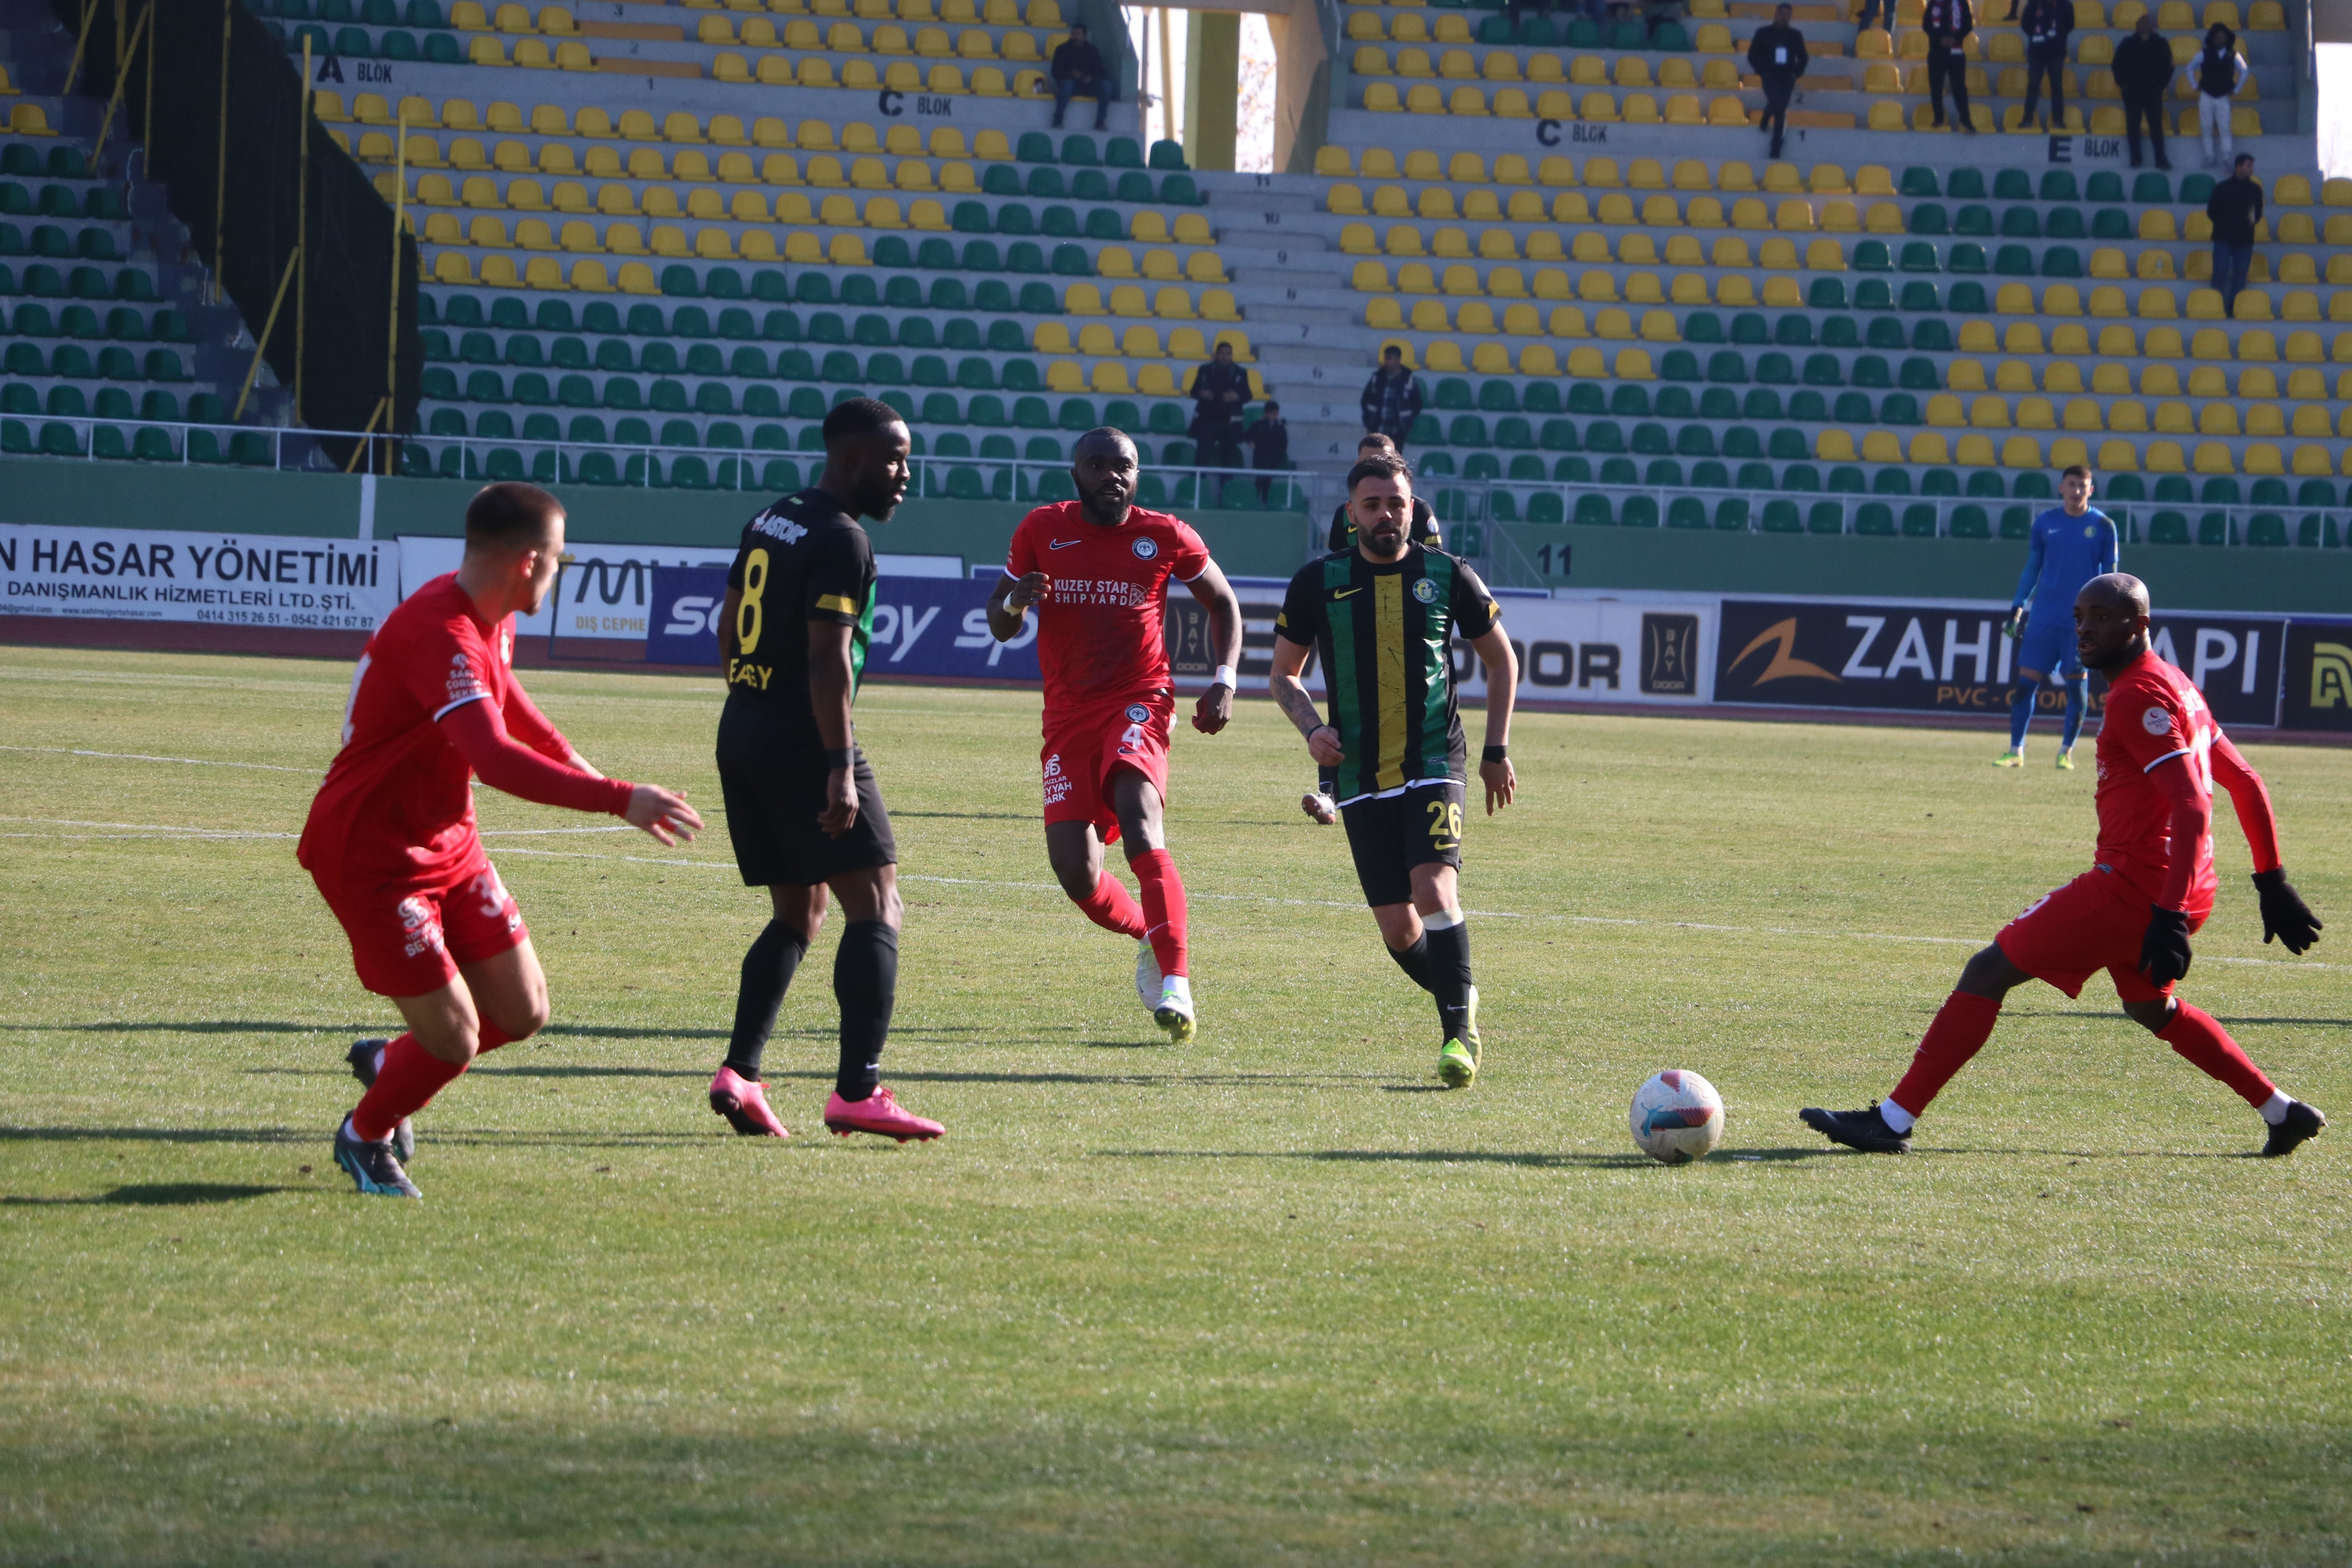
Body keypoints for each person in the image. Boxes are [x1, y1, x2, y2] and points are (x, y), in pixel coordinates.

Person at [1802, 573, 2327, 1159]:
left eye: (2102, 616)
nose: (2084, 627)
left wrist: (2171, 912)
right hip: (2180, 884)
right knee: (2151, 1006)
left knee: (1987, 972)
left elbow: (2194, 802)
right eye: (2079, 615)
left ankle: (1892, 1121)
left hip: (2138, 886)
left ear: (2139, 624)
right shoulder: (2177, 684)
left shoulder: (2137, 695)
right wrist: (2270, 880)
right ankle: (2282, 1111)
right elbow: (2246, 782)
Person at [305, 482, 706, 1199]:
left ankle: (392, 1061)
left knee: (524, 1012)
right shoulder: (442, 630)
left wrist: (577, 762)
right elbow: (491, 756)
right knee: (455, 1039)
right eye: (560, 558)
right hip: (373, 855)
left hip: (448, 840)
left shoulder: (496, 617)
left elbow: (512, 705)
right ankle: (363, 1136)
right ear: (528, 562)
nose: (561, 570)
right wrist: (617, 799)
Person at [706, 398, 946, 1145]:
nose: (905, 474)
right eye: (894, 459)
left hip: (744, 725)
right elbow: (827, 655)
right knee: (879, 902)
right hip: (804, 738)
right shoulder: (844, 540)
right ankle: (858, 1092)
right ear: (851, 460)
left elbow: (727, 619)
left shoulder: (772, 517)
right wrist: (839, 765)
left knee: (799, 912)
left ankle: (740, 1075)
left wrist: (750, 702)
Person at [1268, 453, 1520, 1090]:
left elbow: (1502, 661)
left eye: (1397, 504)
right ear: (1352, 514)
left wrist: (1496, 752)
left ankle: (1458, 1035)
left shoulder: (1447, 574)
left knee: (1434, 892)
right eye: (1373, 504)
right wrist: (1311, 730)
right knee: (1399, 927)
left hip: (1435, 759)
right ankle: (1461, 996)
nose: (1386, 514)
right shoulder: (1316, 582)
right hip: (1357, 775)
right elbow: (1283, 676)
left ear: (1414, 508)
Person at [986, 427, 1243, 1042]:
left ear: (1137, 473)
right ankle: (1148, 934)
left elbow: (1224, 604)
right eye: (1098, 466)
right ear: (1076, 474)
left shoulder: (1166, 535)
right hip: (1068, 717)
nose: (1112, 476)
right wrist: (1016, 603)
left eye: (1122, 465)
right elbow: (998, 622)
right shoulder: (1041, 530)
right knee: (1076, 873)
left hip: (1140, 702)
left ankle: (1178, 987)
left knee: (1139, 818)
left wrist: (1225, 680)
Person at [1303, 434, 1445, 828]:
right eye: (1365, 462)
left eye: (1382, 460)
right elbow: (1335, 563)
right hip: (1353, 617)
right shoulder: (1344, 514)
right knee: (1343, 701)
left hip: (1404, 617)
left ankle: (1421, 782)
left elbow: (1432, 561)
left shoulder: (1418, 510)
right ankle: (1331, 792)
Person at [1995, 464, 2118, 769]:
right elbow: (2032, 568)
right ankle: (2016, 750)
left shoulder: (2103, 526)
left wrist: (2107, 617)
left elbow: (2111, 577)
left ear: (2091, 490)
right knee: (2026, 684)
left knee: (2076, 688)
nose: (2077, 491)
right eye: (2072, 484)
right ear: (2061, 488)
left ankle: (2066, 752)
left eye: (2083, 486)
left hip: (2081, 623)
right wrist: (2018, 606)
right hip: (2044, 618)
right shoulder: (2045, 523)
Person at [2112, 13, 2174, 170]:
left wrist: (2161, 86)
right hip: (2132, 92)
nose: (2146, 25)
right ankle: (2136, 159)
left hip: (2153, 92)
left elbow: (2169, 67)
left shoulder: (2161, 43)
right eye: (2143, 23)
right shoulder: (2128, 43)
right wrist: (2124, 85)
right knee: (2133, 126)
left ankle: (2161, 159)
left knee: (2156, 127)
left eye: (2149, 22)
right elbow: (2117, 65)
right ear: (2137, 26)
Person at [1746, 4, 1807, 161]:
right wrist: (1762, 71)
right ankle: (1768, 117)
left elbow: (1804, 57)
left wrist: (1797, 73)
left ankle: (1775, 146)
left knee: (1780, 110)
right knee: (1780, 104)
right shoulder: (1763, 33)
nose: (1784, 17)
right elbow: (1753, 55)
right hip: (1770, 76)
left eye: (1787, 14)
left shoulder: (1795, 35)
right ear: (1776, 14)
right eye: (1781, 14)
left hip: (1788, 77)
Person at [2207, 153, 2263, 319]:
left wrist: (2248, 225)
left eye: (2252, 166)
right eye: (2248, 166)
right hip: (2223, 239)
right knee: (2220, 272)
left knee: (2240, 275)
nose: (2251, 169)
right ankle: (2215, 306)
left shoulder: (2255, 190)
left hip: (2245, 241)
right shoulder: (2222, 188)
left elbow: (2258, 214)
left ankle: (2233, 308)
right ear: (2238, 167)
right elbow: (2212, 211)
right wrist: (2224, 225)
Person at [1186, 340, 1249, 470]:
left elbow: (1247, 395)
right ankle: (1198, 486)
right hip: (1207, 420)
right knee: (1202, 457)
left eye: (1228, 354)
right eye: (1222, 353)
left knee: (1228, 460)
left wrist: (1236, 397)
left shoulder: (1240, 373)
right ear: (1216, 355)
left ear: (1232, 356)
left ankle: (1227, 489)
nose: (1225, 356)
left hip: (1230, 423)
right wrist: (1202, 394)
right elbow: (1194, 391)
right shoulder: (1205, 371)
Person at [2194, 23, 2247, 167]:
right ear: (2212, 38)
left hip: (2224, 96)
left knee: (2225, 127)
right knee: (2206, 127)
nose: (2220, 40)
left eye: (2223, 37)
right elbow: (2189, 68)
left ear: (2227, 39)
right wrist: (2195, 85)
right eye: (2217, 37)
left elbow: (2244, 71)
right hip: (2206, 95)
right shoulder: (2203, 53)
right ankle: (2209, 157)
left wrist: (2236, 90)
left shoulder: (2234, 55)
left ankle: (2227, 157)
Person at [1048, 22, 1116, 132]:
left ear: (1085, 36)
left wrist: (1091, 77)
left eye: (1079, 34)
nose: (1075, 37)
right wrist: (1071, 74)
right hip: (1070, 84)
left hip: (1089, 85)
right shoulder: (1062, 50)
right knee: (1067, 86)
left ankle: (1100, 122)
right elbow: (1055, 72)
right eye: (1074, 34)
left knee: (1106, 86)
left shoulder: (1093, 51)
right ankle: (1058, 120)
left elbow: (1102, 72)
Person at [1921, 0, 1975, 132]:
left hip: (1956, 51)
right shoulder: (1934, 2)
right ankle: (1939, 118)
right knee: (1936, 87)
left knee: (1960, 87)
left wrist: (1956, 38)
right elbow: (1927, 25)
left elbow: (1968, 25)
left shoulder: (1962, 3)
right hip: (1936, 51)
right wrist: (1940, 39)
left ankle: (1965, 118)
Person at [2017, 0, 2072, 131]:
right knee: (2033, 86)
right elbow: (2025, 23)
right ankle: (2027, 119)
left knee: (2057, 87)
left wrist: (2058, 38)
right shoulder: (2033, 4)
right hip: (2037, 52)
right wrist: (2037, 36)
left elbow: (2070, 25)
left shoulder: (2065, 5)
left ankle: (2058, 121)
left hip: (2057, 53)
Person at [1360, 345, 1423, 450]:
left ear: (1398, 360)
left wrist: (1406, 420)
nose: (1387, 362)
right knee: (1374, 461)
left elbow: (1417, 404)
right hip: (1377, 428)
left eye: (1390, 359)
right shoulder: (1377, 377)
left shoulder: (1408, 380)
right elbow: (1365, 400)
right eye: (1386, 359)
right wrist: (1369, 419)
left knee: (1394, 463)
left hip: (1398, 431)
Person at [1245, 398, 1289, 505]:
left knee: (1268, 481)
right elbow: (1247, 435)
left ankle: (1265, 501)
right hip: (1260, 457)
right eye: (1272, 414)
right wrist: (1252, 445)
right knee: (1259, 480)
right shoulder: (1259, 424)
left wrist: (1279, 455)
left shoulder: (1280, 427)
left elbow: (1284, 443)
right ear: (1266, 414)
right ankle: (1255, 501)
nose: (1274, 416)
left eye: (1276, 414)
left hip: (1272, 458)